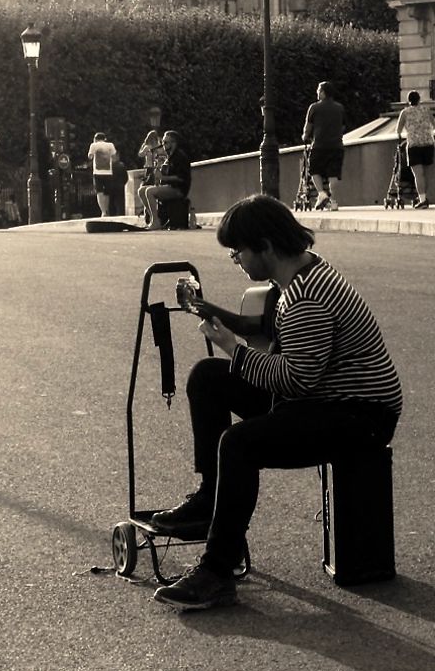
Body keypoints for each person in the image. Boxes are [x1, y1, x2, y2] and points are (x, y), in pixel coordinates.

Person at [151, 195, 402, 611]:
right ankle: (209, 502)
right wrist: (219, 323)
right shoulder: (300, 275)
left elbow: (296, 381)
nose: (237, 261)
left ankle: (217, 571)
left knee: (239, 443)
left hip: (360, 413)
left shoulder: (307, 298)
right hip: (330, 398)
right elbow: (273, 342)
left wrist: (233, 348)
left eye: (238, 252)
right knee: (208, 378)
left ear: (265, 246)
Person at [302, 80, 346, 211]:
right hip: (337, 145)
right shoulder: (340, 108)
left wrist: (305, 136)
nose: (317, 92)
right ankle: (333, 201)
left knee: (314, 170)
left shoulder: (314, 108)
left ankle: (321, 194)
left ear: (323, 93)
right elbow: (343, 126)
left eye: (318, 90)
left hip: (319, 145)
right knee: (333, 174)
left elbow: (308, 126)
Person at [139, 130, 190, 230]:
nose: (162, 145)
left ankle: (156, 222)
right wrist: (159, 174)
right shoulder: (169, 157)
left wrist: (163, 178)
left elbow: (181, 178)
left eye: (165, 142)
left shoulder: (180, 156)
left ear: (174, 143)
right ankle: (155, 219)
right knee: (141, 190)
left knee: (149, 191)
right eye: (162, 142)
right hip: (170, 187)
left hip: (178, 189)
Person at [395, 90, 434, 209]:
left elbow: (398, 130)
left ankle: (422, 200)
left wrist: (401, 137)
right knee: (426, 174)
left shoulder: (405, 112)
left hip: (414, 145)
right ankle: (425, 197)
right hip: (428, 144)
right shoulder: (426, 111)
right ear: (419, 100)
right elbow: (434, 124)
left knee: (418, 175)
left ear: (408, 101)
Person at [88, 131, 128, 216]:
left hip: (97, 172)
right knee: (107, 192)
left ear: (95, 139)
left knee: (99, 192)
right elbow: (114, 156)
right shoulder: (110, 145)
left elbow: (90, 156)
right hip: (108, 172)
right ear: (104, 139)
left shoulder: (93, 145)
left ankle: (103, 211)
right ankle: (106, 210)